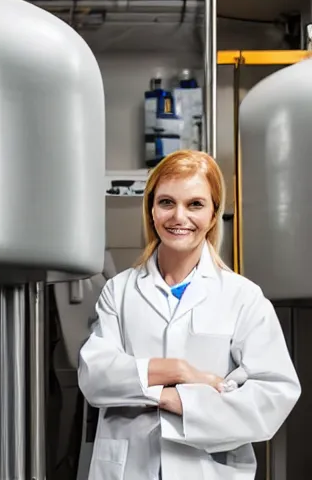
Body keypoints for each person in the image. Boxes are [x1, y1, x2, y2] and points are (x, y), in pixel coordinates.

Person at [77, 150, 301, 480]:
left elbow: (272, 397)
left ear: (212, 214)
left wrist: (172, 399)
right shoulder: (119, 291)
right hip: (130, 469)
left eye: (195, 204)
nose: (179, 216)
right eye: (166, 202)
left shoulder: (242, 297)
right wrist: (180, 371)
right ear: (151, 210)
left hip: (209, 469)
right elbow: (95, 377)